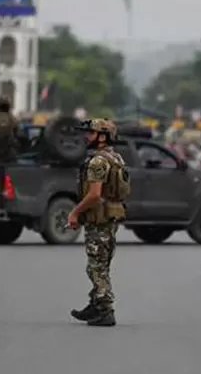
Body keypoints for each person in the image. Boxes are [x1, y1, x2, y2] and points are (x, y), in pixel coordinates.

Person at [68, 119, 130, 327]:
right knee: (102, 263)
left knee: (95, 267)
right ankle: (95, 304)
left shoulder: (97, 162)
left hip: (99, 219)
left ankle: (105, 309)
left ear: (102, 137)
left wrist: (74, 213)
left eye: (91, 133)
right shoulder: (116, 158)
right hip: (110, 218)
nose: (87, 137)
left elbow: (94, 195)